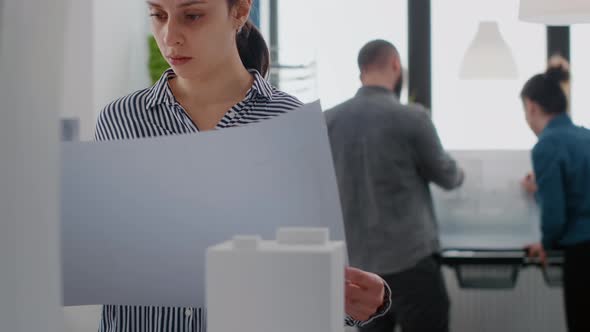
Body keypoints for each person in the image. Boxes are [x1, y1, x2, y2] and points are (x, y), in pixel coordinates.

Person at [93, 1, 391, 331]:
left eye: (192, 16)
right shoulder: (119, 121)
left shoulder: (291, 122)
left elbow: (316, 273)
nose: (170, 37)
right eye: (158, 15)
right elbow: (105, 260)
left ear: (240, 10)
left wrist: (359, 300)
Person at [324, 40, 464, 332]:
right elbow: (449, 178)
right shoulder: (412, 118)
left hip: (359, 267)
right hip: (410, 260)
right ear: (396, 66)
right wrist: (461, 171)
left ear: (361, 71)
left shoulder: (328, 121)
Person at [520, 66, 590, 332]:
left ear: (532, 106)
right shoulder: (586, 136)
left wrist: (545, 243)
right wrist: (540, 189)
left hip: (582, 256)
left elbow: (556, 216)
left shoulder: (546, 145)